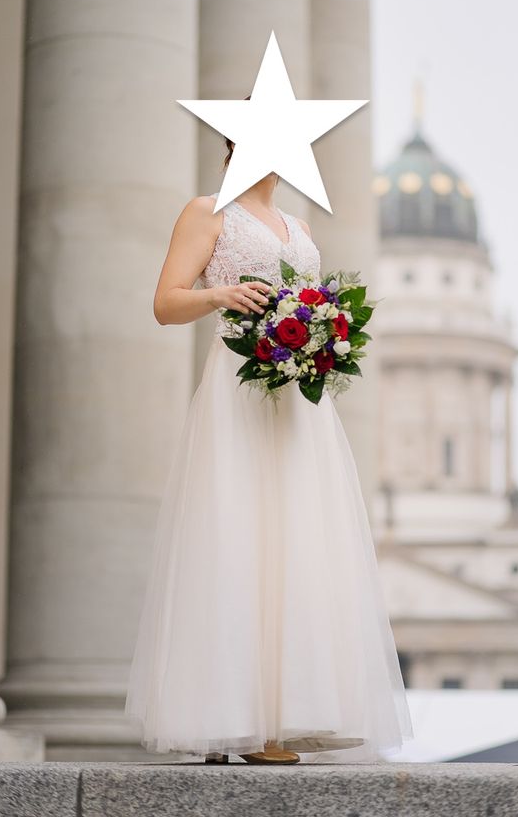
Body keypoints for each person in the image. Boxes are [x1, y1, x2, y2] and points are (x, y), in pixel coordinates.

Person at [124, 138, 415, 765]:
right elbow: (165, 302)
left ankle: (278, 722)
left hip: (298, 401)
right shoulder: (207, 212)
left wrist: (327, 335)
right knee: (235, 537)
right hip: (239, 388)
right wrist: (219, 297)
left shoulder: (299, 226)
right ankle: (226, 719)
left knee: (296, 542)